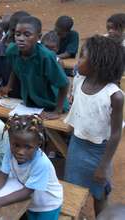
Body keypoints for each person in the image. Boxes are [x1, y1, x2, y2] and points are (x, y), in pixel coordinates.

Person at [64, 35, 124, 217]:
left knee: (100, 193)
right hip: (76, 145)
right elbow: (78, 106)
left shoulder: (114, 95)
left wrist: (104, 166)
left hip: (99, 152)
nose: (77, 61)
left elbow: (115, 134)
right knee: (72, 189)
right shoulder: (79, 80)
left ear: (97, 64)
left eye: (82, 57)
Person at [0, 114, 63, 220]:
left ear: (38, 144)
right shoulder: (10, 151)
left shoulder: (42, 163)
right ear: (10, 141)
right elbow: (3, 175)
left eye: (28, 147)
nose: (20, 152)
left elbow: (27, 191)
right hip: (31, 202)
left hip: (47, 204)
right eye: (16, 145)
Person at [2, 16, 69, 119]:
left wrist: (57, 111)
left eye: (27, 35)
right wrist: (9, 86)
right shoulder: (12, 51)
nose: (21, 38)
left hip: (51, 103)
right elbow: (15, 68)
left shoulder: (46, 57)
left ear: (38, 37)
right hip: (30, 102)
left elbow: (64, 84)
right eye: (17, 34)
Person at [0, 11, 30, 98]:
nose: (20, 37)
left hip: (31, 96)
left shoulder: (34, 50)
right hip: (10, 95)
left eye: (25, 34)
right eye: (14, 31)